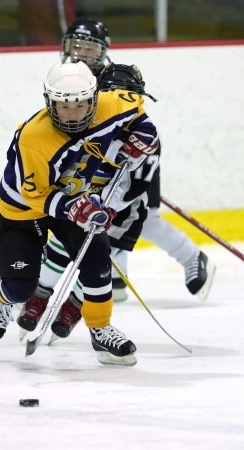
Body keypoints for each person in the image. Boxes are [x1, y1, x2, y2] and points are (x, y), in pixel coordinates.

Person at [0, 61, 160, 366]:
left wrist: (144, 135)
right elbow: (34, 194)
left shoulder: (113, 103)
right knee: (20, 288)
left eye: (80, 106)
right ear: (49, 102)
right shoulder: (34, 138)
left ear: (94, 99)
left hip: (74, 196)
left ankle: (100, 328)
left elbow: (140, 116)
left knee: (97, 253)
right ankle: (4, 295)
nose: (71, 114)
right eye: (62, 107)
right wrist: (71, 207)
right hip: (24, 208)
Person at [32, 18, 216, 303]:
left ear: (103, 51)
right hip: (88, 162)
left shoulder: (112, 77)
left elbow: (138, 121)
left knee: (139, 217)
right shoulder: (63, 76)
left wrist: (129, 161)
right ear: (65, 48)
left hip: (130, 158)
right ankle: (116, 276)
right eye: (75, 46)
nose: (81, 53)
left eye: (89, 48)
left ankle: (191, 257)